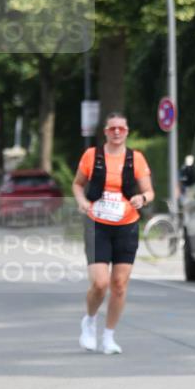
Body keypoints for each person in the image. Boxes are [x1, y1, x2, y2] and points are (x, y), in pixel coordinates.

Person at [72, 112, 154, 355]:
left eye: (121, 128)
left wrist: (142, 198)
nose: (117, 132)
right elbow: (77, 184)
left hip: (127, 224)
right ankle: (89, 320)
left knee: (119, 284)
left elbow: (149, 191)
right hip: (97, 223)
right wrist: (81, 201)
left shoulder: (135, 159)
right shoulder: (92, 156)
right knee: (100, 283)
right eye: (112, 128)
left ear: (127, 132)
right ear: (106, 132)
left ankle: (109, 336)